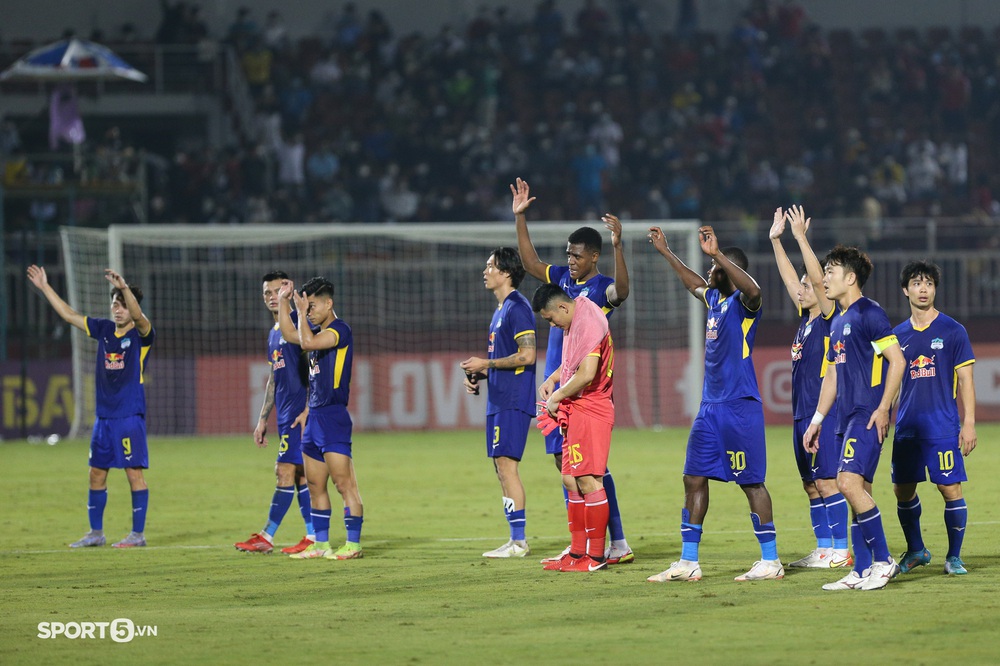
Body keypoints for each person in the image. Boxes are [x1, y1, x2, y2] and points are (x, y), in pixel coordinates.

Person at [646, 225, 783, 582]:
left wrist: (718, 255)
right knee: (693, 478)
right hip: (710, 408)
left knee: (751, 483)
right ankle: (688, 562)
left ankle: (771, 560)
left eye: (714, 269)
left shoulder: (744, 305)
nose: (708, 271)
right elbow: (692, 283)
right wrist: (666, 251)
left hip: (739, 406)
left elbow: (754, 288)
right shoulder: (715, 301)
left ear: (728, 270)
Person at [511, 176, 634, 566]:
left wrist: (618, 246)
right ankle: (580, 541)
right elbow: (531, 264)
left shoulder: (598, 293)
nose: (570, 261)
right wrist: (519, 218)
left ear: (593, 257)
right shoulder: (562, 283)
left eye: (577, 255)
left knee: (592, 470)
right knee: (566, 467)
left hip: (584, 392)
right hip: (558, 387)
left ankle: (615, 540)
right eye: (568, 254)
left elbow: (623, 292)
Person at [27, 265, 154, 548]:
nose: (117, 310)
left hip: (129, 417)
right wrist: (45, 286)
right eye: (114, 305)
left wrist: (123, 288)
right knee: (96, 472)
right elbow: (69, 315)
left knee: (134, 474)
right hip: (104, 418)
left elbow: (139, 317)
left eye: (122, 304)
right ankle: (96, 533)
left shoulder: (142, 336)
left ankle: (137, 534)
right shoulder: (104, 330)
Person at [803, 245, 906, 591]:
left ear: (850, 278)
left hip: (866, 414)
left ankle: (883, 559)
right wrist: (817, 419)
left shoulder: (869, 313)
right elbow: (831, 376)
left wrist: (883, 407)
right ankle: (861, 569)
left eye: (830, 271)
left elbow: (898, 361)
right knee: (856, 490)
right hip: (844, 417)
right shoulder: (839, 321)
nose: (824, 278)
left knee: (847, 484)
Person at [768, 206, 851, 569]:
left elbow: (817, 282)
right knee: (810, 484)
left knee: (828, 481)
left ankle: (841, 549)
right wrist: (775, 241)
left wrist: (800, 237)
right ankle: (823, 548)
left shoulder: (829, 320)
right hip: (800, 414)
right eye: (801, 287)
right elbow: (791, 280)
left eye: (808, 286)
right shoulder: (804, 320)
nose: (801, 290)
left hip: (824, 414)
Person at [891, 261, 976, 576]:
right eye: (916, 283)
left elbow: (966, 379)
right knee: (902, 490)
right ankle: (917, 550)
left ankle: (954, 557)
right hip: (907, 427)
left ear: (935, 289)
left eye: (928, 283)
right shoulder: (896, 335)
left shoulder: (953, 331)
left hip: (941, 425)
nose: (922, 289)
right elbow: (889, 383)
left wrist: (968, 424)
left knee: (949, 488)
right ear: (905, 290)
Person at [277, 277, 363, 561]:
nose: (309, 310)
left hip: (333, 417)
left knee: (344, 484)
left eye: (313, 305)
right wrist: (283, 301)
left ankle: (353, 544)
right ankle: (322, 543)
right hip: (313, 417)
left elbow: (307, 342)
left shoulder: (340, 330)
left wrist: (300, 313)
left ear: (329, 303)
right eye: (307, 306)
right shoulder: (312, 328)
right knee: (315, 485)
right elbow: (289, 334)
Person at [532, 283, 616, 572]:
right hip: (576, 408)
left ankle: (595, 557)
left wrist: (557, 396)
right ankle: (578, 552)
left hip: (590, 409)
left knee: (590, 481)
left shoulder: (589, 322)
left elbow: (588, 372)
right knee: (570, 479)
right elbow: (571, 364)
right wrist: (553, 379)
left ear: (562, 308)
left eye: (551, 319)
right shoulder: (576, 318)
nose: (552, 325)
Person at [460, 248, 537, 558]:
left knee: (508, 468)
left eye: (491, 265)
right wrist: (479, 374)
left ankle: (519, 542)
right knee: (500, 468)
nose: (485, 270)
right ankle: (514, 538)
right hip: (499, 398)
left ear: (506, 273)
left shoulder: (518, 307)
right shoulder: (500, 310)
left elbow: (527, 355)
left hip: (514, 399)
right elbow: (502, 357)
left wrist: (486, 364)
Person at [234, 271, 315, 555]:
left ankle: (267, 536)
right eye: (266, 292)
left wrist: (309, 407)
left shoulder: (297, 324)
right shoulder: (274, 332)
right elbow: (274, 376)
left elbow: (317, 367)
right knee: (300, 475)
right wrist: (261, 418)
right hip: (285, 415)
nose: (271, 296)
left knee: (284, 471)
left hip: (298, 414)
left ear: (288, 291)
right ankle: (313, 536)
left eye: (276, 291)